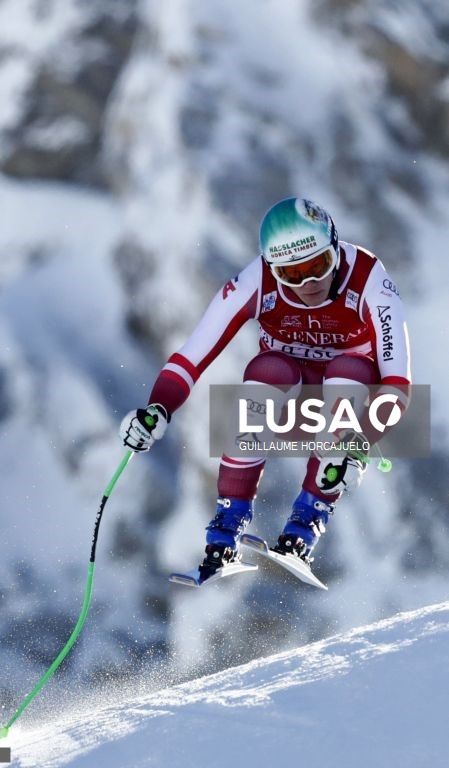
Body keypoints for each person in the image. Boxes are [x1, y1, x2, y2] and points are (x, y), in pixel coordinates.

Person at [119, 197, 411, 580]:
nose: (309, 284)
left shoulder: (370, 278)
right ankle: (226, 527)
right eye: (291, 274)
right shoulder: (255, 280)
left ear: (336, 248)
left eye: (317, 266)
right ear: (273, 269)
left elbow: (397, 385)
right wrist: (158, 408)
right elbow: (193, 355)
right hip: (287, 379)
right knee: (266, 370)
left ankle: (307, 523)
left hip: (347, 387)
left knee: (349, 369)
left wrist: (358, 443)